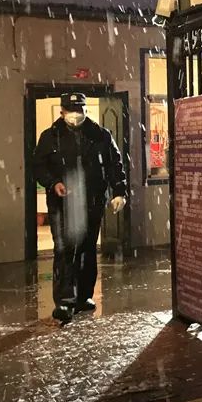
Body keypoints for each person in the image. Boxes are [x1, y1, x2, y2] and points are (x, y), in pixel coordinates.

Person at [33, 93, 127, 323]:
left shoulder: (101, 135)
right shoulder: (50, 137)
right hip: (61, 204)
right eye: (71, 110)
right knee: (64, 249)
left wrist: (119, 191)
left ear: (85, 110)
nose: (75, 115)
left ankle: (84, 296)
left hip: (92, 201)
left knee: (87, 248)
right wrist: (53, 182)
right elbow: (38, 166)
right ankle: (65, 301)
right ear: (62, 112)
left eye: (79, 110)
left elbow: (115, 164)